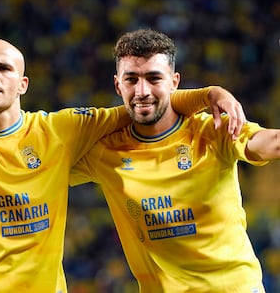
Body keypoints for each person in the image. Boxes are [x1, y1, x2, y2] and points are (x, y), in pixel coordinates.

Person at [0, 38, 245, 292]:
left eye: (3, 68)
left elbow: (142, 106)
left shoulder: (59, 131)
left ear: (22, 85)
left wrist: (208, 94)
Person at [69, 28, 278, 292]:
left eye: (154, 78)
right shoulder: (105, 152)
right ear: (117, 85)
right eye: (131, 79)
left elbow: (270, 143)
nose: (142, 90)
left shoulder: (213, 130)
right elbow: (44, 170)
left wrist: (209, 95)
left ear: (175, 81)